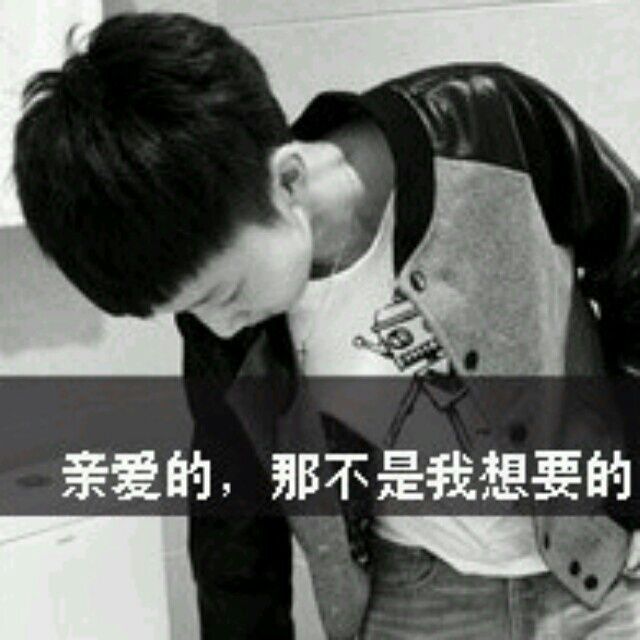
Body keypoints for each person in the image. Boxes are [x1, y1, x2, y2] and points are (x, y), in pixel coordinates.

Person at [13, 12, 640, 639]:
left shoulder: (489, 126)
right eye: (188, 310)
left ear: (287, 180)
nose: (217, 327)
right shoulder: (224, 322)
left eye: (225, 293)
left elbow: (633, 264)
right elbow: (234, 521)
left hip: (601, 564)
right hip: (413, 596)